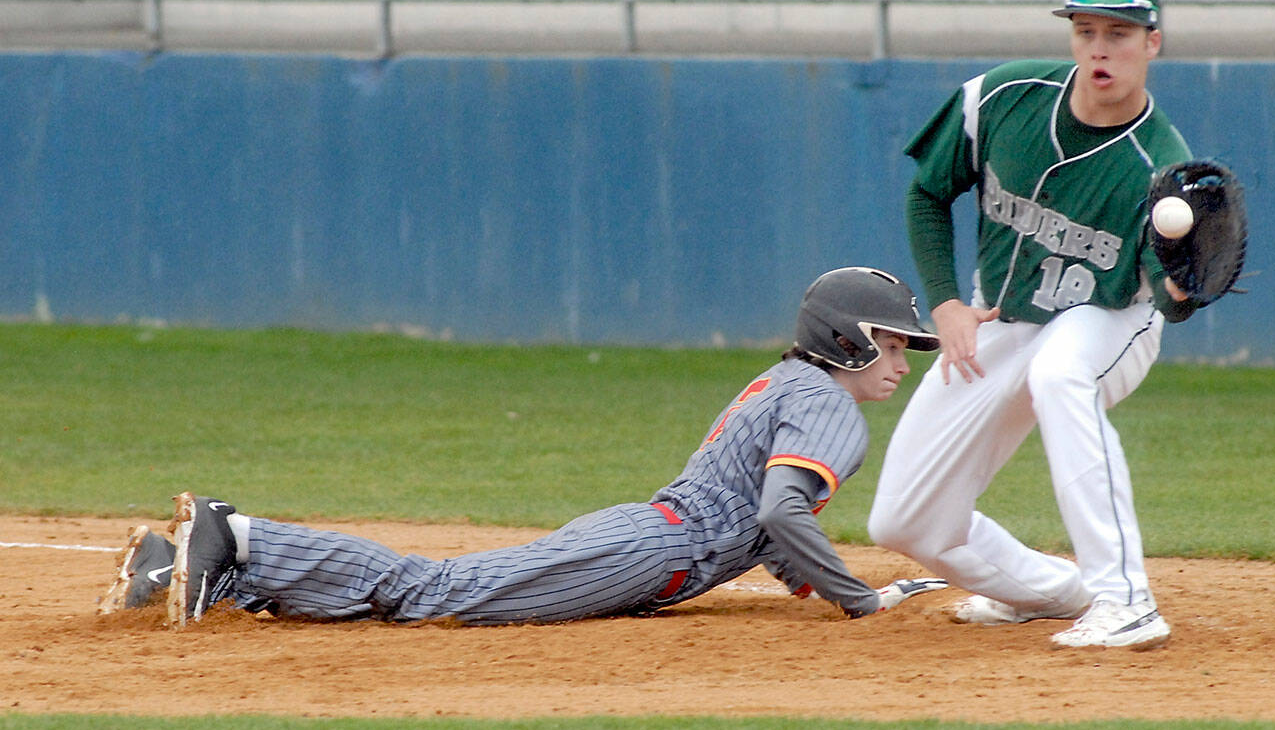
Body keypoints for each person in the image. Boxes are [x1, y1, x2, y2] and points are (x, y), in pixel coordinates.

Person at [99, 266, 948, 627]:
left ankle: (192, 569)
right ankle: (242, 537)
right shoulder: (832, 406)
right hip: (650, 549)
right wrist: (858, 597)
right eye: (893, 342)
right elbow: (778, 509)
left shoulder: (785, 382)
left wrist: (814, 577)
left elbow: (766, 527)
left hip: (646, 538)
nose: (902, 361)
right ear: (844, 339)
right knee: (433, 593)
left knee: (434, 593)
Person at [866, 0, 1197, 651]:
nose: (1100, 48)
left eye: (1119, 33)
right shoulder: (1002, 96)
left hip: (1110, 321)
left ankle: (1125, 599)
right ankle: (1048, 591)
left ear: (1153, 43)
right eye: (1086, 31)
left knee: (1059, 373)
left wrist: (1185, 288)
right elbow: (927, 194)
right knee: (903, 521)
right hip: (1001, 317)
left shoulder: (1158, 164)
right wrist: (947, 302)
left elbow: (1167, 299)